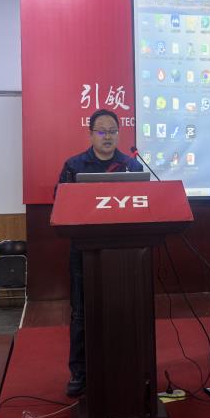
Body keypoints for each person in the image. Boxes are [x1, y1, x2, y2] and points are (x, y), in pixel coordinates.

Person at [57, 109, 143, 397]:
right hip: (84, 252)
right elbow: (60, 206)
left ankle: (127, 365)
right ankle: (80, 372)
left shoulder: (131, 166)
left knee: (125, 309)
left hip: (125, 252)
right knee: (81, 313)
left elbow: (143, 207)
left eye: (113, 131)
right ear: (91, 134)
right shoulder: (74, 166)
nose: (108, 136)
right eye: (102, 131)